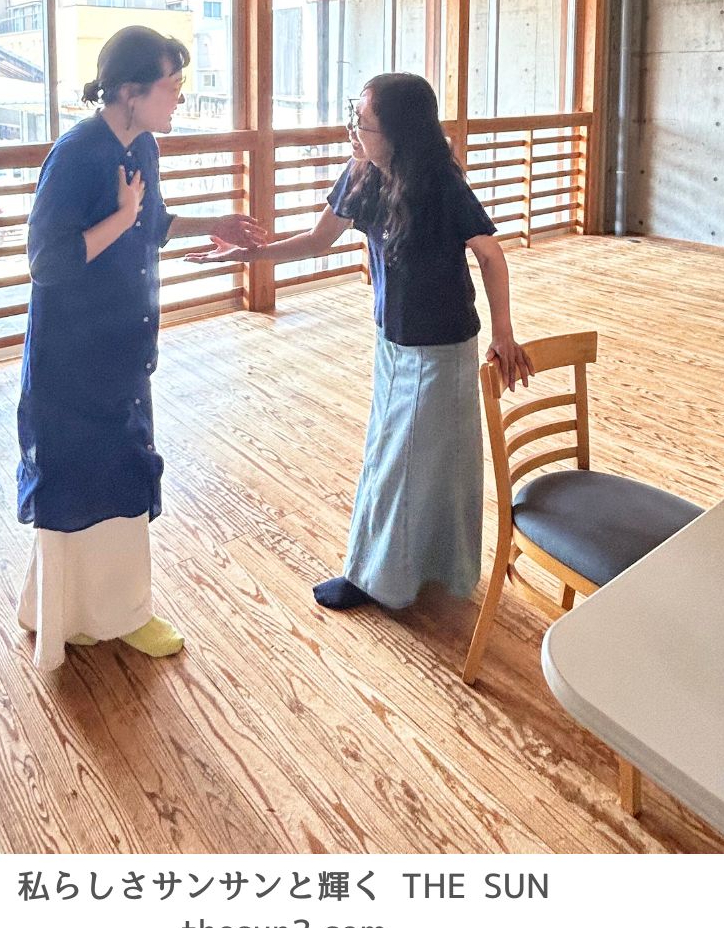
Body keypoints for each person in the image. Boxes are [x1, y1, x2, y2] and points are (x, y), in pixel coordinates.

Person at [189, 72, 533, 613]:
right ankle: (413, 570)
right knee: (394, 453)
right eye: (355, 117)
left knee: (419, 462)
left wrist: (504, 334)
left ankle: (379, 577)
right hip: (392, 341)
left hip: (442, 347)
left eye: (363, 123)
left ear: (398, 133)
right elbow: (317, 239)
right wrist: (248, 256)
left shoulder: (440, 184)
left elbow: (490, 255)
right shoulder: (362, 174)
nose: (353, 130)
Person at [16, 25, 267, 671]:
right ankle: (66, 615)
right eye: (172, 86)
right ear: (130, 92)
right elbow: (48, 262)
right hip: (72, 353)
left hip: (123, 341)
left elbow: (150, 223)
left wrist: (211, 223)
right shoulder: (76, 154)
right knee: (74, 482)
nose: (180, 97)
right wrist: (122, 218)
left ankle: (120, 614)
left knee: (122, 477)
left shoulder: (143, 145)